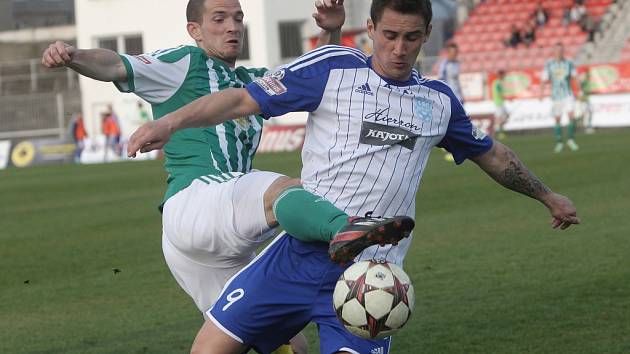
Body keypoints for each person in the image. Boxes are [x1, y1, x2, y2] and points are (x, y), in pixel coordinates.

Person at [128, 1, 580, 353]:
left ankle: (355, 235)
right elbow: (239, 101)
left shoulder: (439, 101)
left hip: (372, 278)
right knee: (207, 348)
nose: (399, 49)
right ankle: (341, 227)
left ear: (426, 36)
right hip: (295, 256)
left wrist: (548, 196)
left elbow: (494, 156)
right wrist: (170, 123)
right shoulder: (330, 69)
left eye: (411, 37)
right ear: (370, 30)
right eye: (389, 35)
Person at [42, 1, 415, 353]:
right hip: (197, 205)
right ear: (195, 29)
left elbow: (311, 74)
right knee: (286, 191)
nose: (232, 26)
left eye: (237, 18)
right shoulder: (182, 63)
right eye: (219, 18)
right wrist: (73, 56)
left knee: (286, 344)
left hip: (213, 246)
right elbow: (116, 65)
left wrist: (330, 32)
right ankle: (345, 227)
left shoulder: (249, 80)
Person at [540, 43, 580, 153]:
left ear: (563, 51)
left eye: (561, 51)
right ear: (554, 52)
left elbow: (575, 77)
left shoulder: (569, 63)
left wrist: (579, 90)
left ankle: (571, 140)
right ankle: (559, 142)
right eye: (557, 51)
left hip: (568, 94)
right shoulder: (549, 64)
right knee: (557, 119)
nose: (559, 53)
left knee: (571, 115)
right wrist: (541, 92)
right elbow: (544, 79)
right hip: (556, 96)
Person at [492, 69, 509, 140]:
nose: (504, 76)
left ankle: (499, 131)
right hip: (498, 103)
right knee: (499, 118)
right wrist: (504, 97)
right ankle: (497, 133)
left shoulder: (498, 82)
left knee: (505, 117)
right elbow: (498, 93)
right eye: (503, 75)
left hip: (501, 102)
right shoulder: (497, 83)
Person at [577, 69, 594, 134]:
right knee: (585, 113)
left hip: (586, 100)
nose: (590, 76)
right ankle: (585, 126)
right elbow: (581, 87)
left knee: (589, 112)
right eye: (588, 75)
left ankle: (587, 126)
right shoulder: (584, 81)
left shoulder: (587, 81)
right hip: (583, 100)